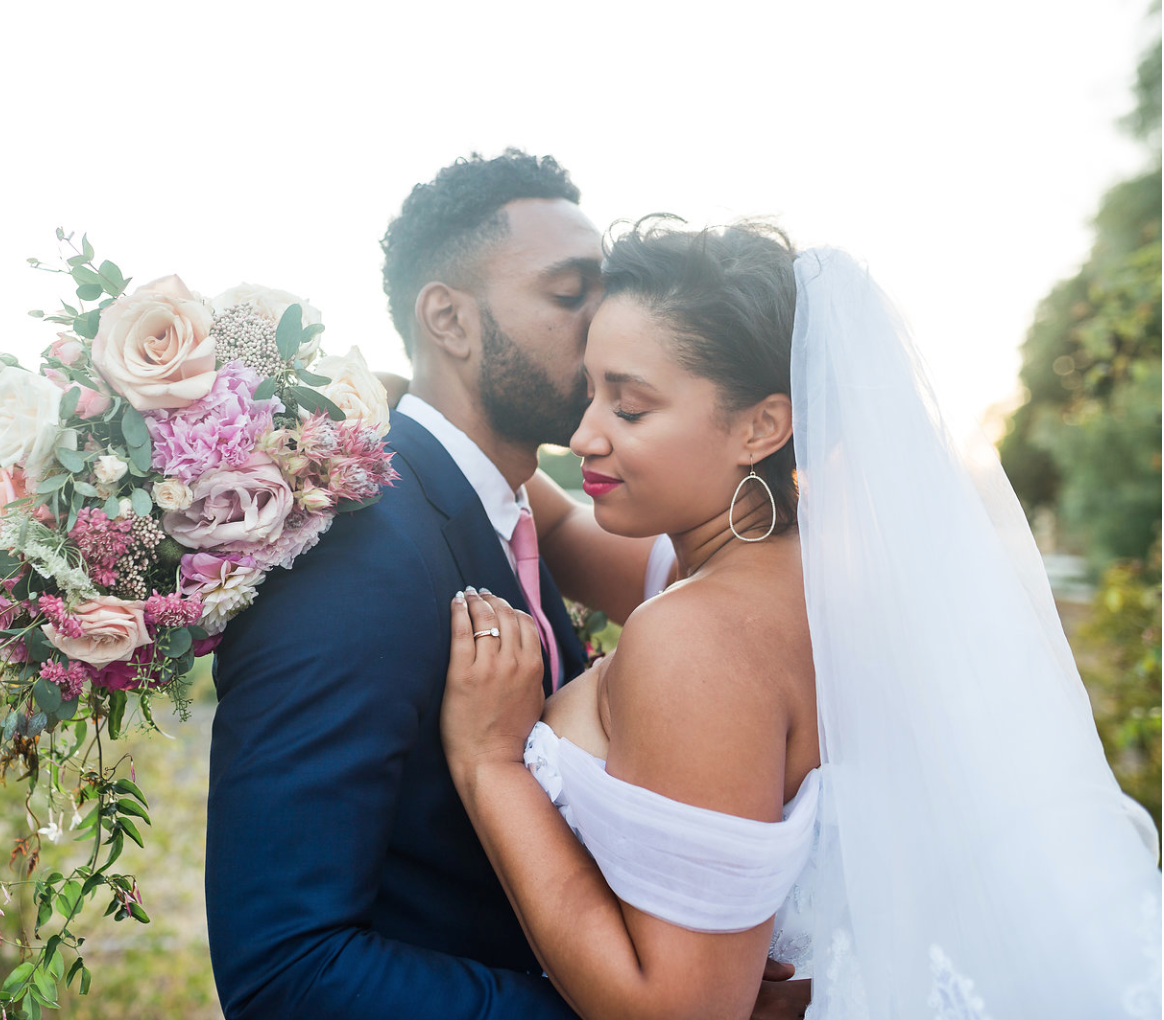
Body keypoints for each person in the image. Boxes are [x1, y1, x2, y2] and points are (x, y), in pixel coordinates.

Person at [440, 220, 1163, 1019]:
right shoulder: (800, 576)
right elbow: (567, 530)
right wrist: (410, 412)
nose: (584, 435)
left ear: (763, 425)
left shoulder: (699, 638)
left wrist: (490, 764)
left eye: (632, 407)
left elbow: (677, 1011)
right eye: (591, 391)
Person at [204, 150, 623, 1019]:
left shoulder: (504, 512)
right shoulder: (355, 558)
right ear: (451, 320)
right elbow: (287, 969)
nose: (611, 321)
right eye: (569, 291)